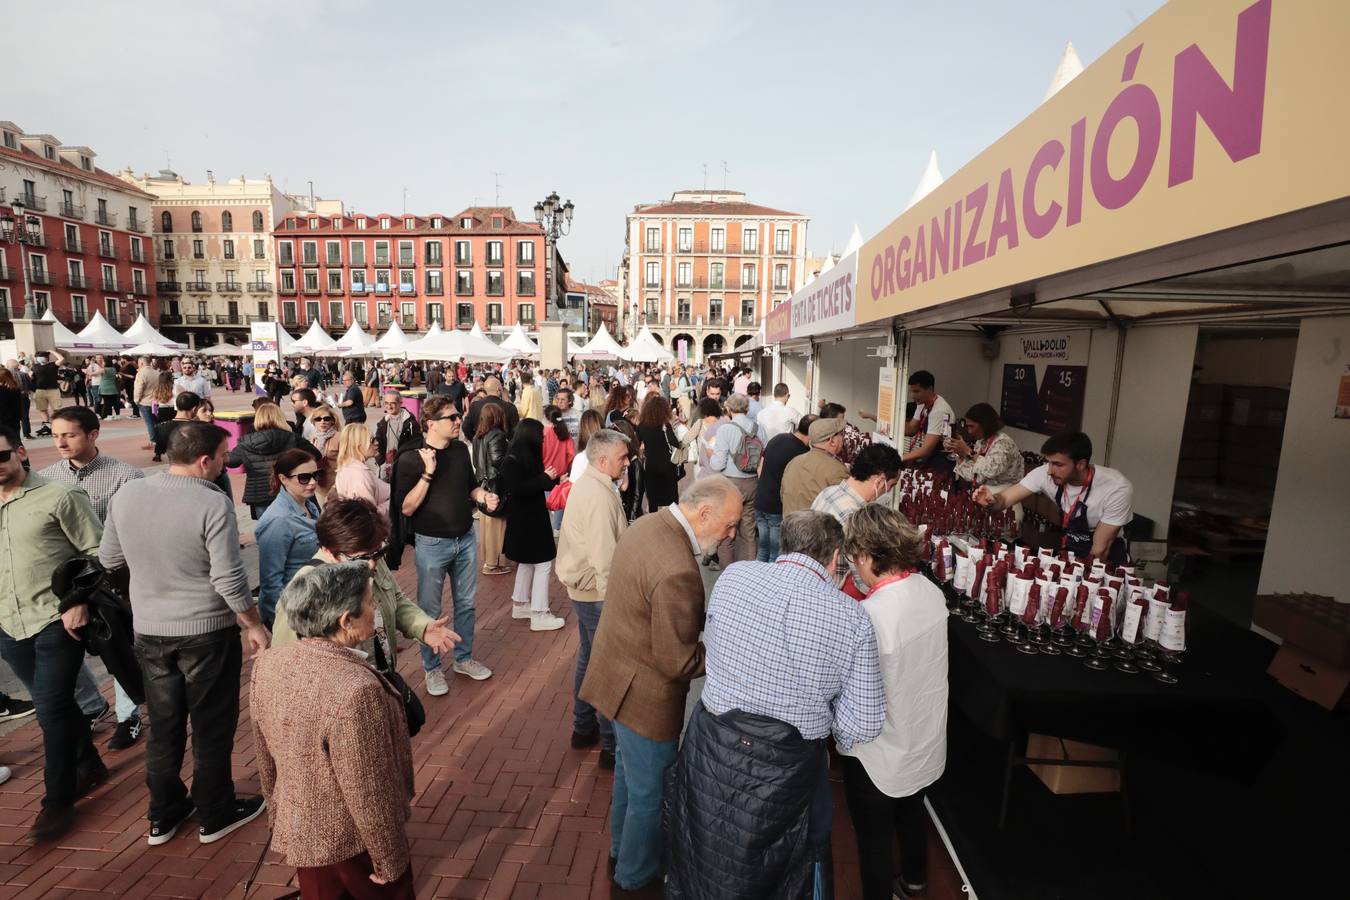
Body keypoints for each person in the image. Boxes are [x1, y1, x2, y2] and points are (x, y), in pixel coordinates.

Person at [667, 510, 885, 898]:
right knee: (792, 868)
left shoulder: (733, 577)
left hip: (711, 743)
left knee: (704, 849)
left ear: (785, 543)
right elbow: (861, 726)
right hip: (791, 764)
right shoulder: (853, 618)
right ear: (836, 558)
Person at [100, 422, 270, 846]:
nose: (226, 465)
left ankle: (163, 813)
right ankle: (215, 812)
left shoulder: (127, 494)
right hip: (205, 632)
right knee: (211, 725)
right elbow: (229, 578)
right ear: (204, 459)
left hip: (150, 630)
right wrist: (253, 623)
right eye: (224, 457)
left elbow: (109, 558)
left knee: (164, 725)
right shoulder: (211, 503)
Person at [579, 476, 743, 897]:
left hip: (616, 675)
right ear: (703, 513)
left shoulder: (648, 524)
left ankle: (621, 855)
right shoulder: (678, 571)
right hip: (645, 697)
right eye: (728, 525)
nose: (730, 535)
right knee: (650, 793)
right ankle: (634, 878)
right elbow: (678, 661)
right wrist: (730, 652)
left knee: (630, 783)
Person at [251, 563, 418, 898]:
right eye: (370, 603)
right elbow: (369, 790)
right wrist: (390, 860)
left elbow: (265, 757)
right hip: (351, 842)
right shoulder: (355, 688)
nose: (375, 610)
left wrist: (277, 814)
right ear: (346, 620)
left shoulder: (267, 664)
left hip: (304, 828)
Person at [0, 425, 108, 842]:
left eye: (2, 456)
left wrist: (79, 600)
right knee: (57, 705)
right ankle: (89, 763)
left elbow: (97, 553)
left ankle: (56, 800)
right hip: (9, 622)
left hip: (55, 618)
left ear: (21, 452)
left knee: (49, 706)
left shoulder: (60, 496)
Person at [838, 504, 948, 900]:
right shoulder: (931, 592)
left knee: (873, 839)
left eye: (854, 558)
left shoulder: (868, 615)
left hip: (879, 753)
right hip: (924, 737)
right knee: (913, 811)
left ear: (867, 556)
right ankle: (916, 880)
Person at [38, 406, 147, 750]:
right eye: (56, 435)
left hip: (111, 578)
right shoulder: (45, 478)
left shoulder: (125, 475)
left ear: (93, 434)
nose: (61, 442)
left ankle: (128, 717)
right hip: (62, 582)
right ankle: (90, 705)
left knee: (116, 646)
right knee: (64, 645)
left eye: (69, 434)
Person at [392, 396, 498, 695]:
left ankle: (463, 659)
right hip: (432, 543)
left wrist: (482, 497)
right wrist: (427, 473)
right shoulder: (412, 458)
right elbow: (407, 508)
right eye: (450, 417)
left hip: (465, 539)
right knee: (430, 609)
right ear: (430, 424)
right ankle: (432, 668)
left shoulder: (462, 450)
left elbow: (470, 487)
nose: (457, 422)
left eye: (456, 416)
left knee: (466, 603)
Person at [271, 497, 459, 660]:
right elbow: (284, 660)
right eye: (359, 558)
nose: (371, 565)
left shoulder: (371, 555)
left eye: (378, 553)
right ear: (329, 551)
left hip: (381, 672)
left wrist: (422, 628)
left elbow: (397, 600)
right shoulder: (305, 591)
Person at [555, 429, 629, 771]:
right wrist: (615, 602)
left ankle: (584, 728)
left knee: (590, 657)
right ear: (602, 461)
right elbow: (605, 558)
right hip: (596, 593)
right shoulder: (598, 494)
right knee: (605, 666)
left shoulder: (596, 485)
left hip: (586, 590)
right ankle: (610, 745)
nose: (627, 463)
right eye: (622, 458)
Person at [975, 430, 1134, 563]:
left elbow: (1100, 549)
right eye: (1049, 462)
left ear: (1080, 464)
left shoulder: (1116, 488)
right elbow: (1004, 500)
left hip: (1106, 558)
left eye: (1058, 464)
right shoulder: (1046, 474)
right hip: (1072, 545)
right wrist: (991, 501)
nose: (1050, 470)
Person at [499, 419, 565, 631]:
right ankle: (540, 612)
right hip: (528, 519)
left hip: (526, 518)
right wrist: (546, 479)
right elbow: (518, 488)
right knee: (543, 563)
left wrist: (552, 479)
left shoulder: (520, 455)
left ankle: (520, 603)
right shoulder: (514, 459)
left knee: (527, 562)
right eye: (541, 436)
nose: (543, 440)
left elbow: (530, 482)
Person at [255, 448, 323, 629]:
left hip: (314, 604)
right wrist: (282, 623)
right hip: (294, 613)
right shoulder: (279, 520)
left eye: (316, 475)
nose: (313, 482)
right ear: (283, 479)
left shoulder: (310, 506)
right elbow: (270, 582)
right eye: (304, 478)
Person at [226, 402, 320, 520]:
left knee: (268, 532)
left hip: (259, 494)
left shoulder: (246, 442)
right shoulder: (291, 437)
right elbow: (317, 455)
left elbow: (232, 461)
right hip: (288, 490)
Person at [707, 393, 761, 564]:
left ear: (729, 409)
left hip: (730, 484)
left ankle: (728, 573)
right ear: (747, 408)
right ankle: (749, 571)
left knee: (727, 530)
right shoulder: (759, 428)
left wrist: (710, 454)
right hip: (753, 482)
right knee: (749, 531)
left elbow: (717, 464)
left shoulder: (725, 429)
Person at [754, 414, 815, 561]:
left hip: (761, 501)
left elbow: (760, 468)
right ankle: (770, 583)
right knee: (775, 554)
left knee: (763, 548)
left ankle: (757, 580)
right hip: (776, 506)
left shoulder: (778, 438)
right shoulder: (802, 452)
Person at [812, 443, 904, 525]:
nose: (888, 491)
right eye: (891, 485)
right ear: (879, 482)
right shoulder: (854, 522)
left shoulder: (827, 491)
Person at [472, 402, 512, 576]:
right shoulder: (497, 435)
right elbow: (498, 461)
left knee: (487, 525)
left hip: (483, 484)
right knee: (498, 525)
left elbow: (476, 462)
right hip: (496, 485)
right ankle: (494, 562)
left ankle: (489, 560)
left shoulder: (478, 436)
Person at [951, 402, 1025, 492]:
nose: (969, 431)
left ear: (984, 424)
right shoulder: (981, 442)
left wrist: (967, 450)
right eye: (967, 426)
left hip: (1004, 498)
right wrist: (959, 452)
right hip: (984, 496)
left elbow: (991, 471)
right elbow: (975, 476)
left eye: (971, 426)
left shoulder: (1003, 443)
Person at [781, 417, 849, 514]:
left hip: (789, 525)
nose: (843, 438)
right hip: (816, 527)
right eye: (841, 434)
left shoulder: (794, 462)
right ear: (832, 441)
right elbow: (846, 509)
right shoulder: (837, 470)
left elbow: (783, 495)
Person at [901, 370, 955, 470]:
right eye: (911, 391)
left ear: (930, 389)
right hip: (928, 459)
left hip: (940, 462)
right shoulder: (921, 403)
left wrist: (900, 458)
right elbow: (910, 429)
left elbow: (926, 450)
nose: (913, 396)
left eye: (917, 391)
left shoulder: (939, 411)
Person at [635, 394, 680, 513]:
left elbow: (636, 444)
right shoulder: (665, 425)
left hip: (651, 466)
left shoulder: (641, 426)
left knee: (653, 498)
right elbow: (675, 443)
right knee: (672, 498)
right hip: (667, 464)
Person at [333, 423, 390, 509]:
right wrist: (393, 503)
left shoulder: (348, 467)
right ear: (358, 445)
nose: (377, 443)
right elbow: (368, 515)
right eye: (372, 440)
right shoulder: (359, 475)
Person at [542, 405, 576, 533]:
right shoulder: (564, 433)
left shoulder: (543, 433)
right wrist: (566, 466)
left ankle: (547, 528)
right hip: (562, 473)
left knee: (546, 501)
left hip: (546, 472)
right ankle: (557, 527)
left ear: (546, 417)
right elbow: (571, 453)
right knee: (560, 501)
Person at [375, 391, 419, 474]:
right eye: (386, 403)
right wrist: (381, 463)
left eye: (393, 403)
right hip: (386, 467)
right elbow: (377, 444)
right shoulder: (382, 423)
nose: (389, 406)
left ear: (400, 403)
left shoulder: (410, 423)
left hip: (404, 467)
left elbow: (417, 445)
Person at [464, 376, 518, 442]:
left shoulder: (475, 405)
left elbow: (465, 426)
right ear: (498, 389)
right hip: (502, 448)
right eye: (501, 389)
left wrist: (477, 441)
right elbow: (515, 432)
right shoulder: (509, 407)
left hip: (483, 448)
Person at [308, 403, 342, 495]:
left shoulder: (340, 437)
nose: (322, 421)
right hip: (319, 486)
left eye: (326, 419)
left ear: (332, 421)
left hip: (337, 486)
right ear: (314, 422)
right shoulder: (313, 437)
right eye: (318, 419)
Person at [30, 352, 62, 436]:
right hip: (40, 390)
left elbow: (61, 359)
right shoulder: (35, 366)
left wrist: (52, 351)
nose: (39, 358)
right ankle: (46, 426)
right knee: (42, 409)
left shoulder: (53, 365)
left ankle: (57, 425)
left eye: (41, 357)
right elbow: (31, 376)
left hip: (53, 390)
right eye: (38, 357)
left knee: (56, 409)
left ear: (47, 357)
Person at [132, 357, 160, 445]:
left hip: (145, 401)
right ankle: (159, 439)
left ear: (141, 363)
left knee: (149, 422)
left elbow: (139, 388)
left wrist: (136, 399)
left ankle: (153, 440)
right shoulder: (156, 372)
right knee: (156, 421)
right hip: (156, 401)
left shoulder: (141, 373)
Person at [0, 368, 22, 437]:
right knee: (15, 443)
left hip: (3, 422)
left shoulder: (2, 391)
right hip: (14, 422)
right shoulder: (15, 389)